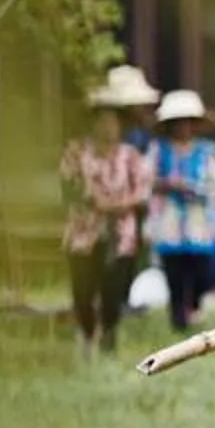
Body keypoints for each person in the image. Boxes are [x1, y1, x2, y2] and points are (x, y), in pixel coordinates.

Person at [61, 66, 157, 354]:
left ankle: (109, 340)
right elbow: (68, 186)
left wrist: (114, 206)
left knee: (112, 290)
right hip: (83, 232)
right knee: (83, 289)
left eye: (112, 121)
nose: (107, 127)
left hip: (120, 234)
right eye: (101, 120)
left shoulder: (131, 157)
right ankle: (86, 336)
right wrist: (94, 203)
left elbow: (142, 193)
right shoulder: (77, 152)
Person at [146, 89, 215, 331]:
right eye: (177, 123)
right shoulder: (159, 150)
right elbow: (146, 179)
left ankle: (193, 309)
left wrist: (197, 188)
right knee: (174, 273)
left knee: (200, 270)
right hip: (169, 221)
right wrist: (168, 184)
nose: (182, 127)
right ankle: (178, 320)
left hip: (198, 222)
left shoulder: (205, 152)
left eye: (186, 122)